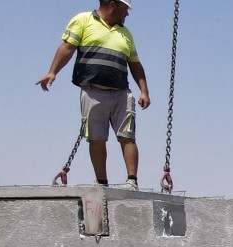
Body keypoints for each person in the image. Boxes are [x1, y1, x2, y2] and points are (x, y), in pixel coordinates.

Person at [37, 1, 150, 190]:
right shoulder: (83, 20)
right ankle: (102, 182)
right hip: (93, 92)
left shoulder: (125, 33)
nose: (127, 15)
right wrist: (52, 72)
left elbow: (135, 65)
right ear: (113, 5)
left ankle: (132, 181)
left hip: (121, 93)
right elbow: (66, 48)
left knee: (127, 136)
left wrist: (144, 91)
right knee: (96, 138)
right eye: (125, 9)